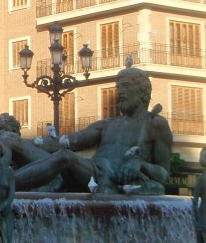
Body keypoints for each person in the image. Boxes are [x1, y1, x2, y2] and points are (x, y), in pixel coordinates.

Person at [11, 60, 173, 195]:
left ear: (142, 91)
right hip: (90, 172)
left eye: (126, 86)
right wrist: (23, 143)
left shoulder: (155, 124)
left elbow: (164, 175)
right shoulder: (107, 124)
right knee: (10, 140)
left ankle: (4, 184)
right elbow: (67, 142)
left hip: (106, 180)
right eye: (118, 88)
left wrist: (141, 164)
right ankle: (0, 179)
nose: (120, 92)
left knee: (65, 157)